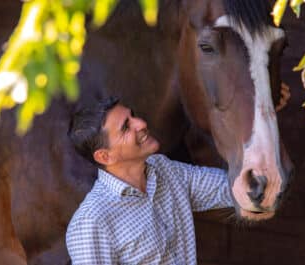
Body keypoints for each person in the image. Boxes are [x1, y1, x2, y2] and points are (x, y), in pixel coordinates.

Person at [66, 97, 233, 265]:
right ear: (105, 156)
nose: (141, 123)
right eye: (126, 127)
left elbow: (230, 189)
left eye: (133, 116)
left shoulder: (164, 169)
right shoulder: (90, 222)